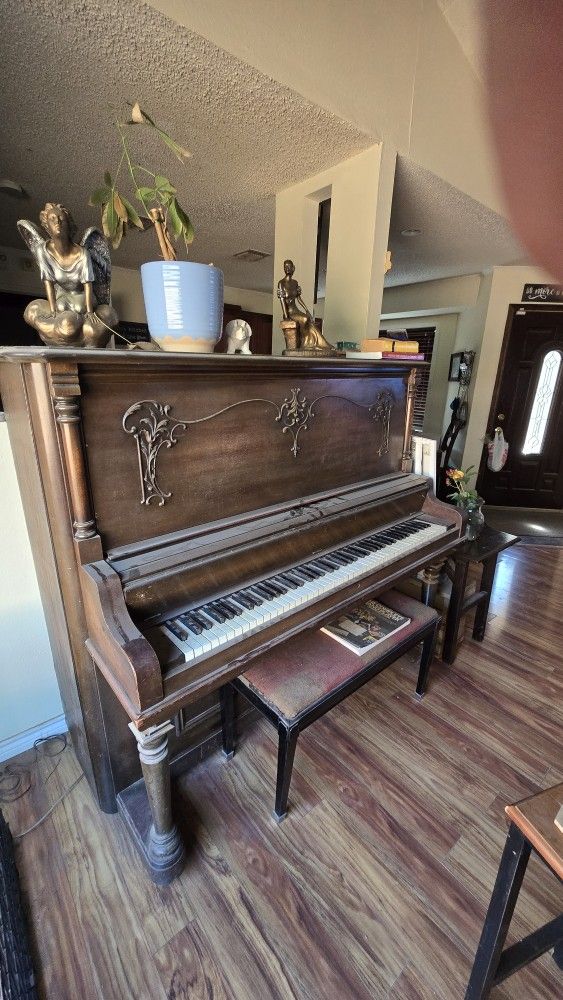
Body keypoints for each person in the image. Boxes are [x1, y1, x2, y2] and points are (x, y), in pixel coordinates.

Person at [18, 203, 117, 347]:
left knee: (77, 312)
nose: (57, 222)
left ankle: (83, 333)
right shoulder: (43, 251)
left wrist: (89, 312)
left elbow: (87, 284)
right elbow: (48, 283)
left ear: (68, 224)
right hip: (62, 296)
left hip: (82, 296)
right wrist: (53, 311)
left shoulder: (82, 253)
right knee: (45, 310)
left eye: (61, 218)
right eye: (52, 219)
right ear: (47, 225)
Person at [277, 259, 335, 351]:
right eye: (285, 267)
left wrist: (307, 310)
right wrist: (286, 316)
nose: (287, 268)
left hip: (296, 310)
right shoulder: (281, 283)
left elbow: (299, 299)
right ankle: (304, 344)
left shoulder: (295, 283)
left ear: (293, 268)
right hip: (289, 312)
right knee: (304, 319)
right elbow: (282, 301)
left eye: (289, 267)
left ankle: (322, 344)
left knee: (310, 321)